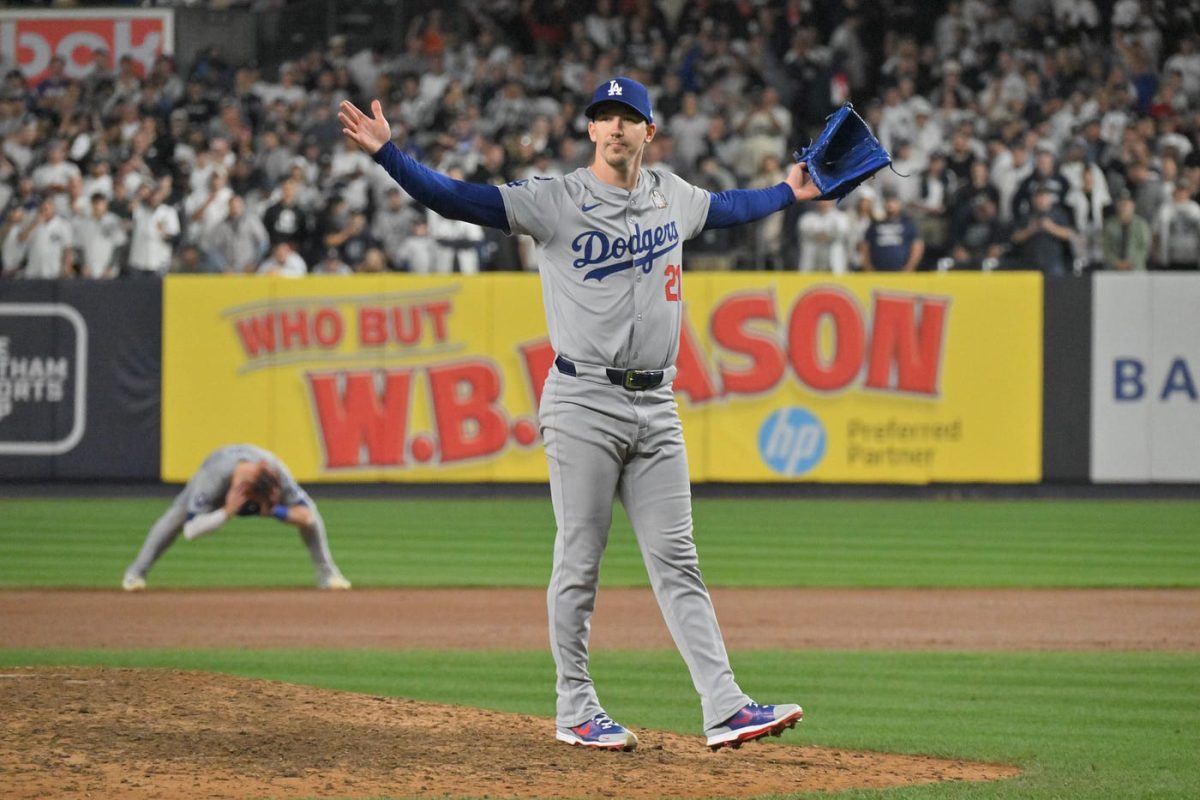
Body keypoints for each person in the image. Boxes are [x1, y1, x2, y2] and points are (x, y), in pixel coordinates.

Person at [339, 76, 813, 752]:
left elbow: (734, 206)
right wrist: (392, 156)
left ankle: (725, 705)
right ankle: (575, 708)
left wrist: (791, 192)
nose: (615, 127)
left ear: (649, 132)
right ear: (590, 130)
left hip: (657, 401)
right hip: (583, 398)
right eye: (605, 117)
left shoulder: (673, 196)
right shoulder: (555, 201)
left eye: (629, 118)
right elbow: (459, 199)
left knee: (678, 560)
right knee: (581, 559)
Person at [122, 444, 350, 592]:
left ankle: (328, 575)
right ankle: (135, 574)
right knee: (176, 517)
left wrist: (275, 510)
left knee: (312, 516)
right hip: (218, 473)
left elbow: (308, 517)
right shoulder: (212, 478)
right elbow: (191, 531)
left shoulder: (275, 472)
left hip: (255, 471)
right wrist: (226, 512)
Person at [861, 189, 924, 272]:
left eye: (893, 202)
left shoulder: (908, 225)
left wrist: (909, 268)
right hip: (878, 274)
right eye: (888, 202)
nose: (890, 205)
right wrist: (868, 268)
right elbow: (865, 247)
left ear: (899, 205)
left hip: (901, 273)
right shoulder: (875, 225)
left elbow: (917, 246)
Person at [1102, 189, 1152, 271]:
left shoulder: (1141, 224)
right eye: (1121, 203)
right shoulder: (1109, 224)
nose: (1124, 206)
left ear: (1133, 205)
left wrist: (1131, 263)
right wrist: (1116, 263)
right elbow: (1106, 247)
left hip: (1136, 269)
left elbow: (1144, 247)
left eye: (1127, 203)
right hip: (1113, 269)